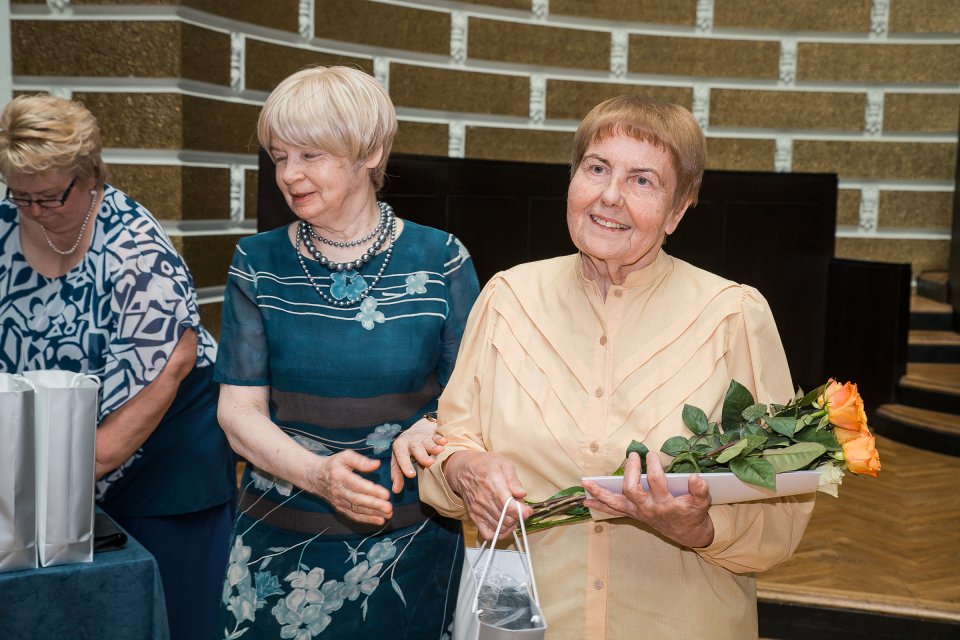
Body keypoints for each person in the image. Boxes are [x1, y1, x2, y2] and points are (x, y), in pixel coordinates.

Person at [418, 95, 816, 639]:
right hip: (535, 622)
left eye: (642, 181)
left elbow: (784, 501)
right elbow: (450, 441)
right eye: (597, 168)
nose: (609, 196)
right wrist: (464, 471)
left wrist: (701, 527)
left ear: (678, 210)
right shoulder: (508, 297)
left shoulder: (733, 315)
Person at [214, 66, 480, 639]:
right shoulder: (257, 263)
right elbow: (237, 415)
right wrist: (317, 476)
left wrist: (432, 424)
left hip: (408, 544)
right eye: (280, 156)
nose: (289, 174)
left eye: (310, 155)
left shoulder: (441, 259)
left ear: (371, 151)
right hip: (276, 545)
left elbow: (474, 397)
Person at [0, 94, 237, 640]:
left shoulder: (136, 251)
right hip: (56, 451)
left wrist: (50, 489)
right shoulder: (6, 226)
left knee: (162, 614)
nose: (33, 211)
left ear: (90, 177)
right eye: (20, 196)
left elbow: (164, 376)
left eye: (50, 197)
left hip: (163, 455)